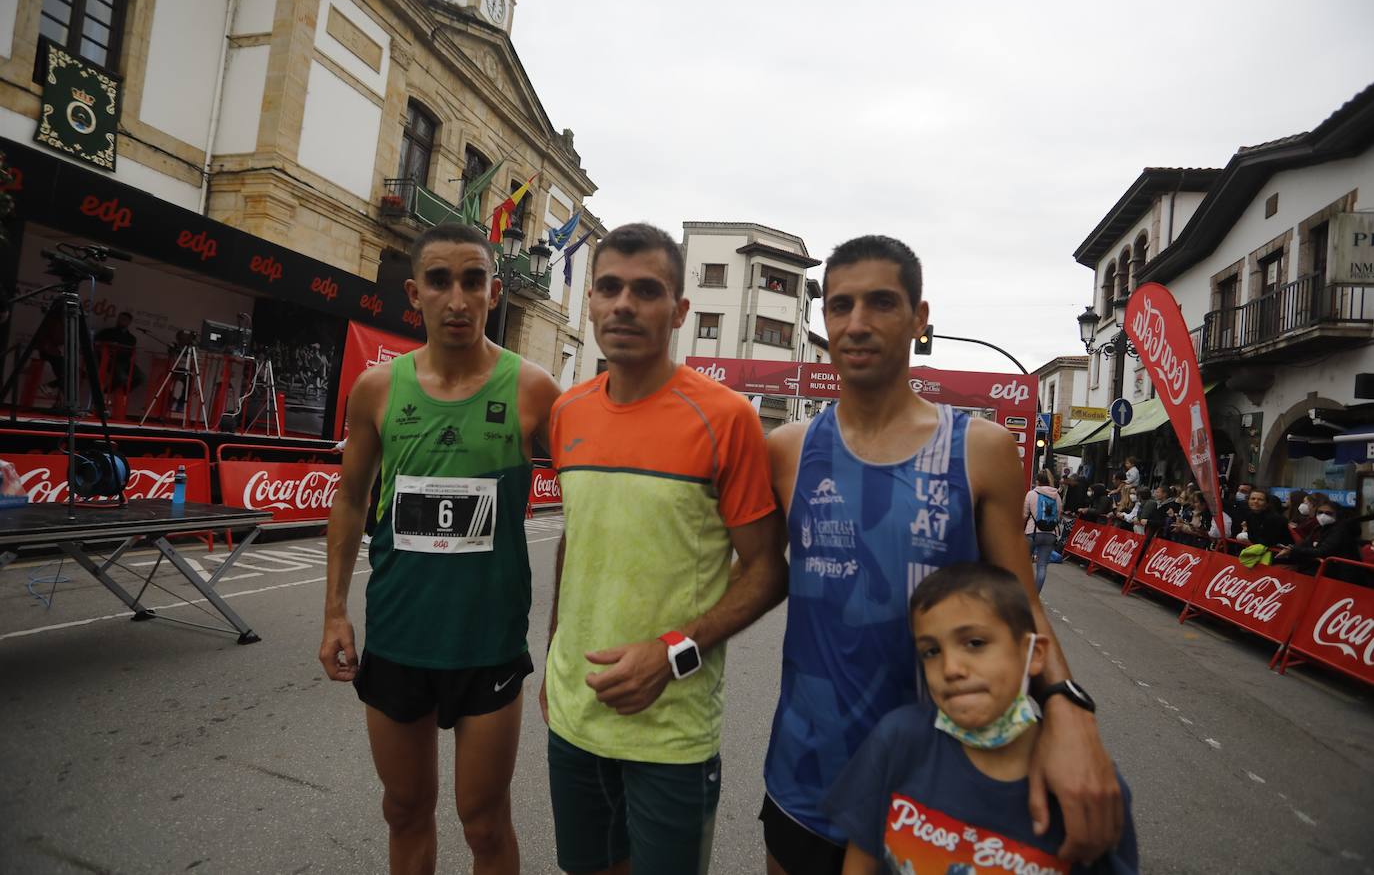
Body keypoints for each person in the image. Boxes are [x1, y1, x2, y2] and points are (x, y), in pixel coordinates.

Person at [759, 236, 1122, 875]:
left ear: (920, 318)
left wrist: (1068, 709)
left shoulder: (976, 449)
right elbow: (750, 570)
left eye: (881, 302)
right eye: (840, 305)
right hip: (804, 775)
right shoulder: (787, 451)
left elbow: (1021, 600)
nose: (857, 323)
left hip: (937, 789)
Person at [541, 223, 787, 875]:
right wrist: (553, 658)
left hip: (671, 732)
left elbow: (766, 571)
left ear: (679, 311)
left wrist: (671, 656)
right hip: (574, 712)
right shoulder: (567, 413)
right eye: (610, 288)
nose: (624, 304)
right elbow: (579, 540)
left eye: (646, 291)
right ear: (590, 300)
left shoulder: (725, 416)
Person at [318, 222, 562, 875]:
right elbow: (349, 499)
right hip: (399, 638)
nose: (457, 298)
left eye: (473, 280)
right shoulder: (376, 389)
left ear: (494, 292)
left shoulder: (533, 389)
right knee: (404, 810)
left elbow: (592, 509)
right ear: (413, 292)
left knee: (484, 823)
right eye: (440, 280)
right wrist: (335, 611)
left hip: (489, 647)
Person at [824, 562, 1138, 874]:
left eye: (975, 643)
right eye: (931, 651)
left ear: (1034, 653)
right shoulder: (898, 740)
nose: (950, 668)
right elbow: (861, 859)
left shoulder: (1087, 784)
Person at [1276, 503, 1364, 579]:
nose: (1323, 516)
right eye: (1320, 512)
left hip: (1339, 574)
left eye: (1328, 513)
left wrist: (1294, 550)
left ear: (1337, 514)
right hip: (1321, 570)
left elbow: (1323, 551)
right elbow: (1305, 544)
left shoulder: (1340, 530)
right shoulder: (1319, 528)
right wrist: (1291, 549)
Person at [1024, 469, 1063, 591]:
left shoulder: (1031, 494)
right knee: (1042, 567)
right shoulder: (1057, 496)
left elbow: (1024, 515)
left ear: (1038, 481)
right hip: (1050, 535)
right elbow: (1059, 515)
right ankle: (1034, 597)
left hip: (1032, 532)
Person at [93, 311, 143, 392]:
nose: (121, 320)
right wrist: (109, 344)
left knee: (140, 377)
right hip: (110, 360)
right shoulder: (107, 332)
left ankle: (123, 392)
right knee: (122, 377)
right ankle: (106, 393)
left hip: (125, 362)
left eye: (124, 319)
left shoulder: (131, 338)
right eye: (120, 318)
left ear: (129, 322)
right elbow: (96, 343)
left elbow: (131, 352)